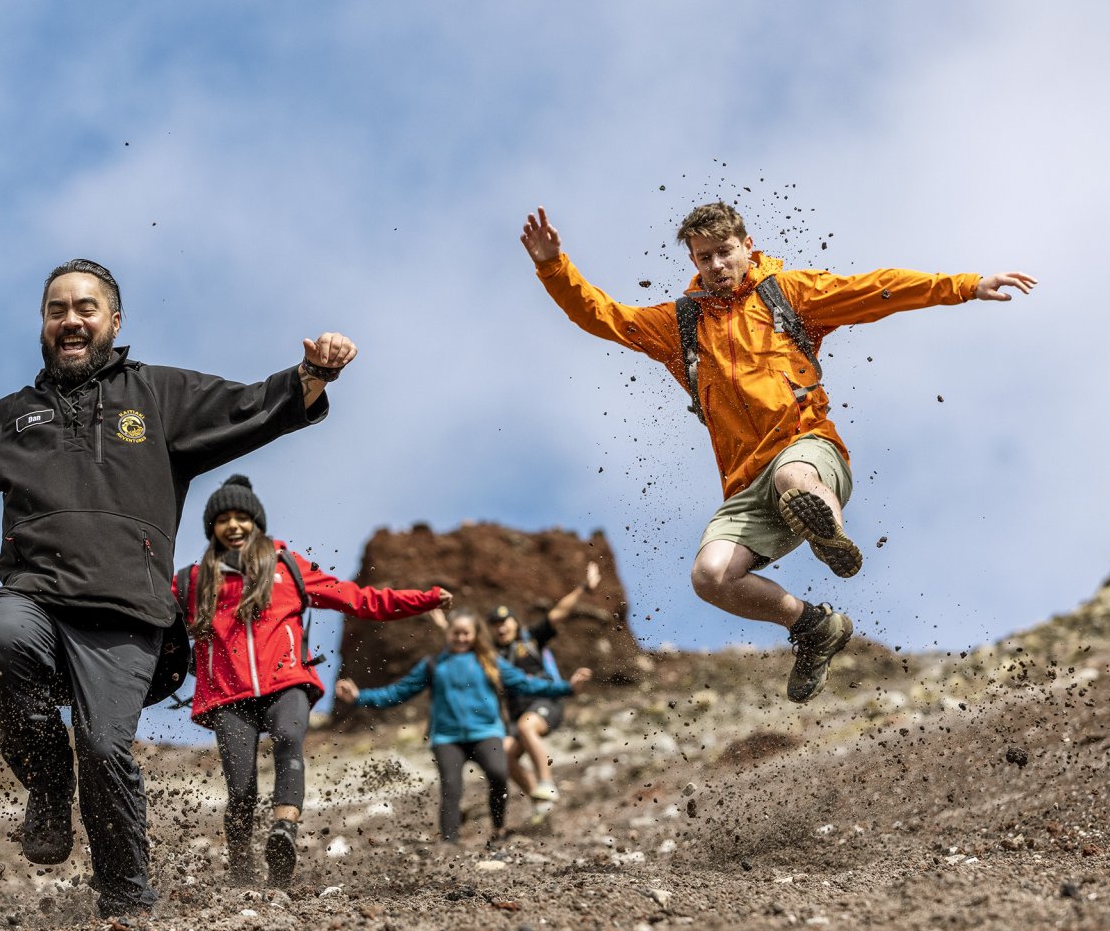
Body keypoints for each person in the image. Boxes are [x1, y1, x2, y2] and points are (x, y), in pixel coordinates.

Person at [0, 258, 358, 916]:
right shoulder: (16, 418)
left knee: (104, 747)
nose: (71, 320)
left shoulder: (159, 397)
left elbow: (254, 407)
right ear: (43, 324)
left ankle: (126, 902)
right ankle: (47, 781)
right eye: (57, 309)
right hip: (36, 596)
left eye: (85, 308)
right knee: (0, 637)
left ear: (113, 322)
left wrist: (316, 373)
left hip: (127, 616)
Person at [520, 202, 1035, 702]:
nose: (717, 265)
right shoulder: (680, 327)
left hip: (808, 446)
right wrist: (552, 266)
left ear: (747, 246)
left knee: (794, 481)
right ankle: (813, 626)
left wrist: (965, 286)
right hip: (746, 486)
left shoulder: (787, 294)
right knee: (710, 577)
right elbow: (603, 316)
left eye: (725, 251)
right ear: (693, 263)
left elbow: (876, 289)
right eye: (704, 257)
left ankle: (827, 531)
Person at [177, 474, 451, 886]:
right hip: (228, 694)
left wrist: (423, 599)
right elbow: (151, 617)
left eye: (241, 517)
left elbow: (359, 599)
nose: (233, 526)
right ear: (212, 528)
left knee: (289, 739)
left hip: (286, 681)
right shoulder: (193, 582)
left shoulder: (288, 567)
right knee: (241, 789)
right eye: (223, 519)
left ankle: (283, 831)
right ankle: (240, 863)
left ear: (256, 523)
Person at [335, 610, 576, 846]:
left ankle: (498, 829)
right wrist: (359, 697)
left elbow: (526, 684)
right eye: (455, 633)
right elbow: (397, 692)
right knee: (451, 786)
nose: (460, 638)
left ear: (475, 634)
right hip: (447, 738)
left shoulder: (490, 661)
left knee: (499, 774)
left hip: (486, 733)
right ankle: (449, 842)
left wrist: (566, 687)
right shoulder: (432, 664)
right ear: (447, 633)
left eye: (466, 634)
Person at [487, 560, 600, 822]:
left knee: (527, 726)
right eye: (494, 623)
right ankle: (539, 801)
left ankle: (546, 782)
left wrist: (583, 588)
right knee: (502, 753)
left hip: (545, 703)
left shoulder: (531, 638)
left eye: (505, 621)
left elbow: (559, 612)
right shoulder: (491, 656)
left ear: (514, 623)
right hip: (517, 714)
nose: (501, 627)